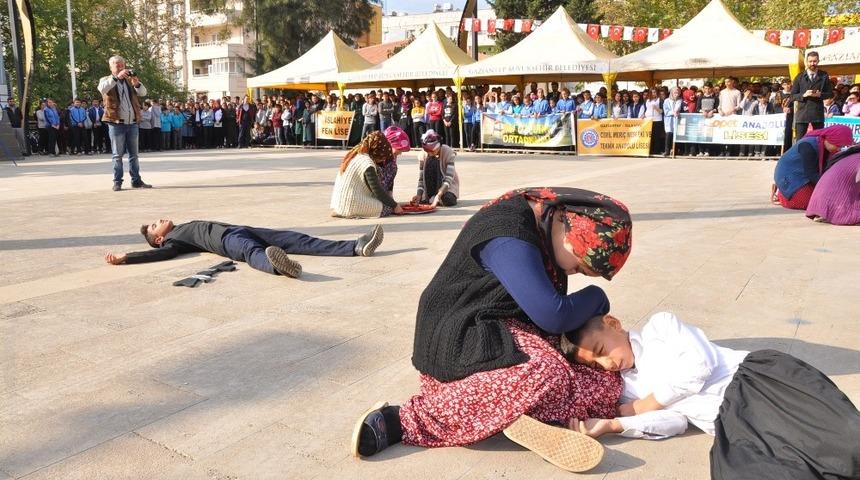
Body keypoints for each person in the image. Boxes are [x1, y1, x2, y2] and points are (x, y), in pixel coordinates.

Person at [352, 187, 633, 472]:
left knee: (587, 374)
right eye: (581, 268)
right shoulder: (508, 232)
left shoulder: (546, 227)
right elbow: (552, 315)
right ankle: (408, 419)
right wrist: (597, 296)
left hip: (500, 325)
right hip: (459, 332)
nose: (576, 274)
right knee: (546, 372)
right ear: (567, 226)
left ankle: (500, 409)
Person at [561, 311, 860, 480]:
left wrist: (641, 406)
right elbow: (675, 422)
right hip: (733, 425)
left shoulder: (660, 327)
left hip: (759, 383)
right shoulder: (629, 386)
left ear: (612, 324)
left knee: (847, 443)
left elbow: (698, 365)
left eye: (601, 351)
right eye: (595, 364)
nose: (607, 364)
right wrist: (615, 425)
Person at [105, 219, 385, 278]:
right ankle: (277, 266)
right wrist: (126, 258)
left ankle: (355, 247)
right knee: (253, 253)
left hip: (241, 228)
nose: (160, 220)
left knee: (296, 238)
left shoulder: (178, 228)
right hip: (227, 242)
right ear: (158, 239)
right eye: (155, 225)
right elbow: (160, 255)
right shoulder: (172, 242)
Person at [98, 55, 152, 191]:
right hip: (116, 122)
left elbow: (143, 93)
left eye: (122, 64)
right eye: (117, 64)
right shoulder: (106, 80)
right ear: (111, 67)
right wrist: (117, 78)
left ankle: (136, 181)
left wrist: (137, 83)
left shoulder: (129, 81)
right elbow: (102, 89)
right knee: (117, 155)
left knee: (134, 155)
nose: (121, 67)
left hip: (132, 122)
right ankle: (117, 181)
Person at [772, 125, 854, 209]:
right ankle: (783, 196)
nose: (839, 149)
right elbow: (811, 174)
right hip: (790, 179)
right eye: (838, 145)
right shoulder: (808, 146)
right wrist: (832, 187)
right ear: (830, 139)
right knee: (819, 203)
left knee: (832, 196)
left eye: (841, 147)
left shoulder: (825, 147)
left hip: (803, 178)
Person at [330, 131, 404, 218]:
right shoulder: (367, 163)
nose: (382, 160)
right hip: (350, 204)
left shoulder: (356, 154)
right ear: (377, 151)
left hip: (338, 204)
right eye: (383, 156)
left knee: (387, 204)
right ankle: (349, 212)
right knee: (387, 208)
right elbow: (377, 190)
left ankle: (342, 211)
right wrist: (394, 205)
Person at [790, 51, 833, 141]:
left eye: (814, 61)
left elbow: (830, 93)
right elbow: (792, 96)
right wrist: (804, 95)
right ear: (806, 62)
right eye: (810, 61)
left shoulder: (824, 75)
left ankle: (818, 155)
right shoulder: (800, 76)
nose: (812, 63)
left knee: (820, 139)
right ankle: (799, 155)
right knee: (800, 140)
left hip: (817, 113)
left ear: (818, 61)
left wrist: (820, 94)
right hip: (803, 113)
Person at [413, 130, 459, 207]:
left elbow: (449, 178)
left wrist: (439, 195)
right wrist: (419, 194)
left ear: (439, 147)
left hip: (447, 188)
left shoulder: (448, 152)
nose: (430, 153)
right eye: (427, 151)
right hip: (430, 188)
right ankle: (430, 196)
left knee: (448, 199)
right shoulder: (422, 155)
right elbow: (421, 178)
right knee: (420, 200)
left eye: (432, 151)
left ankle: (436, 197)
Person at [662, 87, 683, 157]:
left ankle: (674, 150)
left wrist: (676, 112)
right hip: (669, 120)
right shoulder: (666, 101)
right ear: (671, 93)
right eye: (675, 93)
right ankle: (667, 151)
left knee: (675, 135)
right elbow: (666, 112)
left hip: (676, 120)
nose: (676, 94)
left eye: (678, 93)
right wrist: (673, 112)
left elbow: (678, 108)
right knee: (668, 135)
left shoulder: (679, 100)